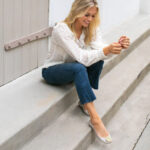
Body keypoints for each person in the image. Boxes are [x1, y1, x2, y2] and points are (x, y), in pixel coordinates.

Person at [42, 0, 130, 144]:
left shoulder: (90, 28)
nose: (90, 19)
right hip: (53, 71)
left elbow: (101, 49)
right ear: (77, 11)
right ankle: (95, 118)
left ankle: (84, 103)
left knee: (98, 58)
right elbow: (82, 58)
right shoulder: (61, 29)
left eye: (93, 16)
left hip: (75, 68)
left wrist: (117, 46)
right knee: (81, 66)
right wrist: (106, 50)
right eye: (86, 14)